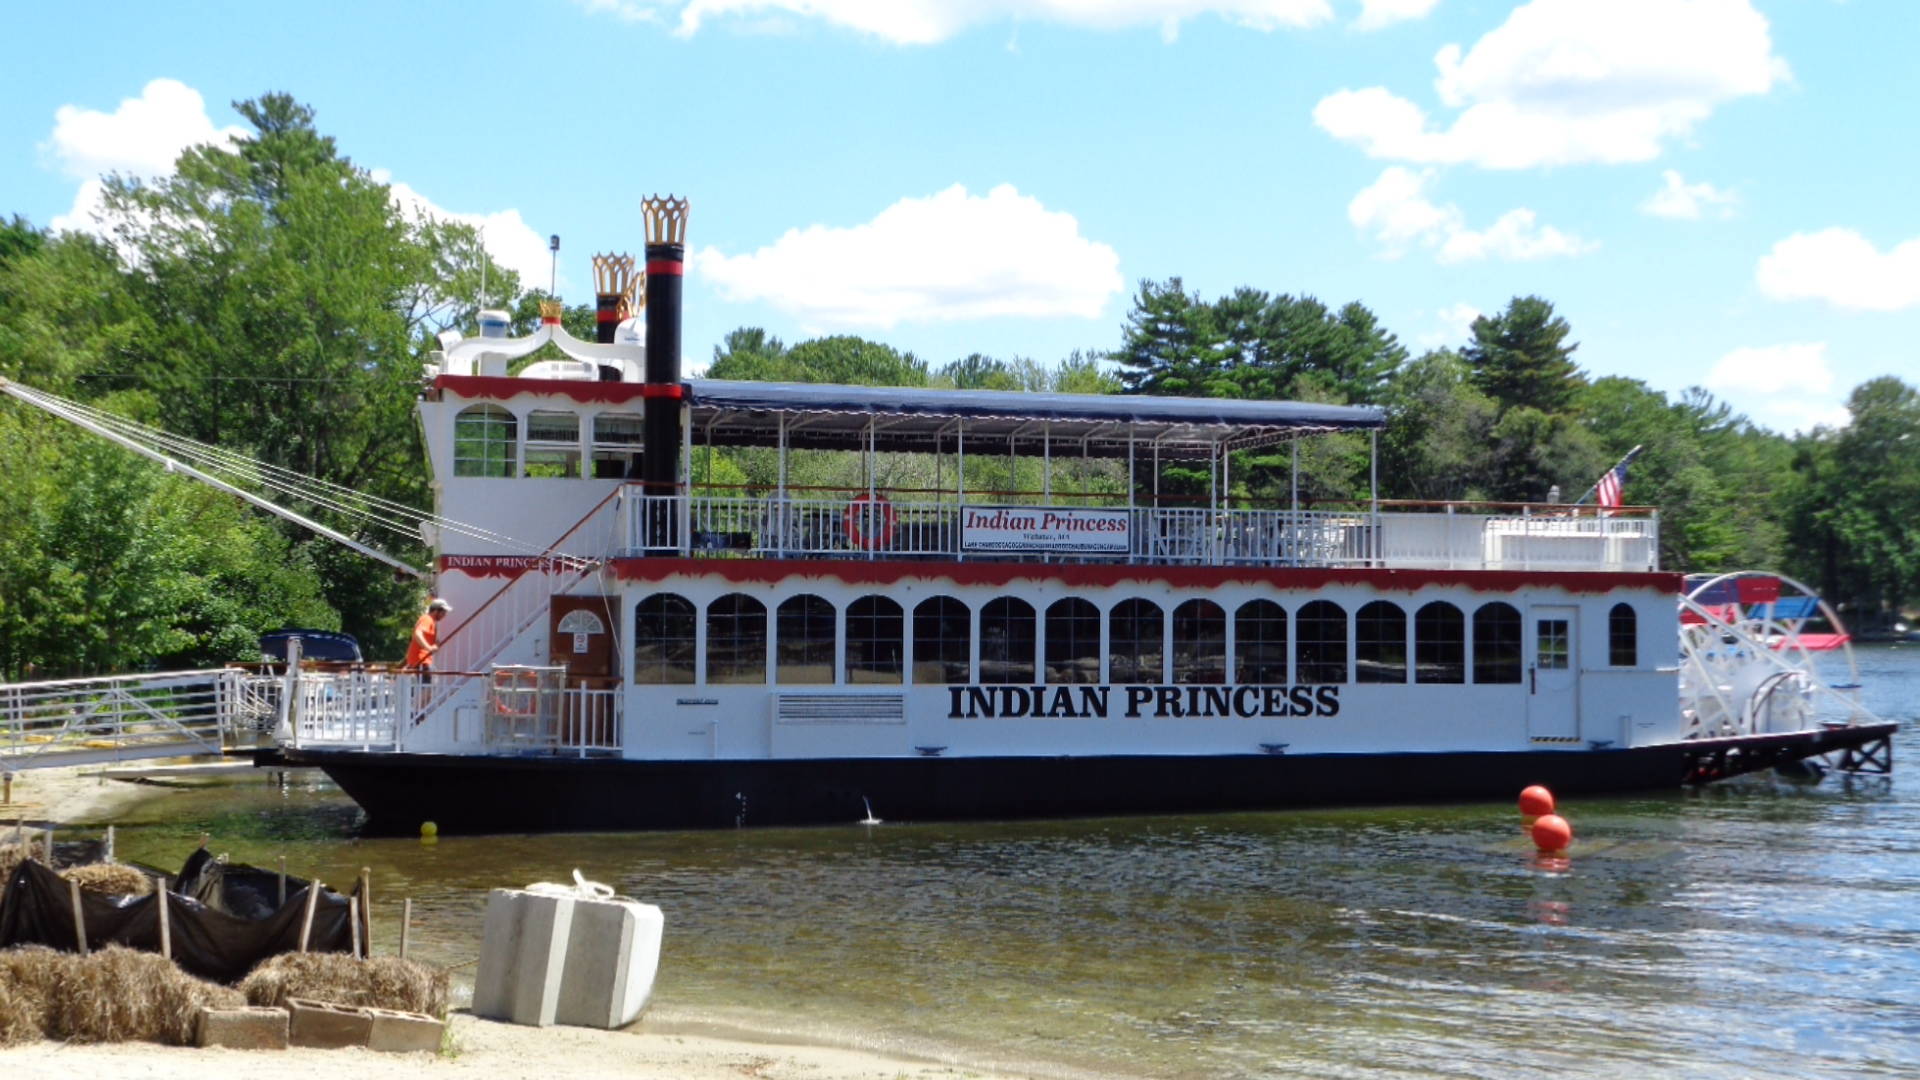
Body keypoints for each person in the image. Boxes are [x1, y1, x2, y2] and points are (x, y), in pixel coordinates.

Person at [405, 598, 452, 677]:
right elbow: (417, 633)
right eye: (443, 613)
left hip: (421, 661)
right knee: (426, 688)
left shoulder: (431, 621)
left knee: (426, 687)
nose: (444, 615)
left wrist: (435, 643)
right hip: (420, 661)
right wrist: (428, 647)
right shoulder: (427, 619)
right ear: (436, 611)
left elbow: (427, 637)